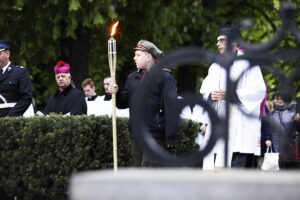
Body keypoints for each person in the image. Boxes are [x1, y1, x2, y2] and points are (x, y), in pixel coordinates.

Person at [200, 24, 266, 169]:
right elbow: (204, 91)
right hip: (220, 125)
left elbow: (259, 91)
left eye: (222, 40)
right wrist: (211, 95)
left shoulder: (249, 64)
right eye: (217, 41)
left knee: (237, 170)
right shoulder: (215, 66)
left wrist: (232, 95)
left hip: (240, 126)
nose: (218, 44)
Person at [109, 39, 177, 166]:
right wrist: (117, 93)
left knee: (149, 168)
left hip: (154, 133)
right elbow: (123, 103)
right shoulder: (132, 77)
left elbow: (171, 107)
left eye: (138, 55)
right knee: (138, 169)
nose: (134, 58)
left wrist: (170, 137)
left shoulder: (164, 76)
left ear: (148, 57)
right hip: (136, 133)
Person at [0, 40, 32, 117]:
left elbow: (26, 98)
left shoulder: (19, 72)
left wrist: (10, 117)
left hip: (12, 119)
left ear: (7, 54)